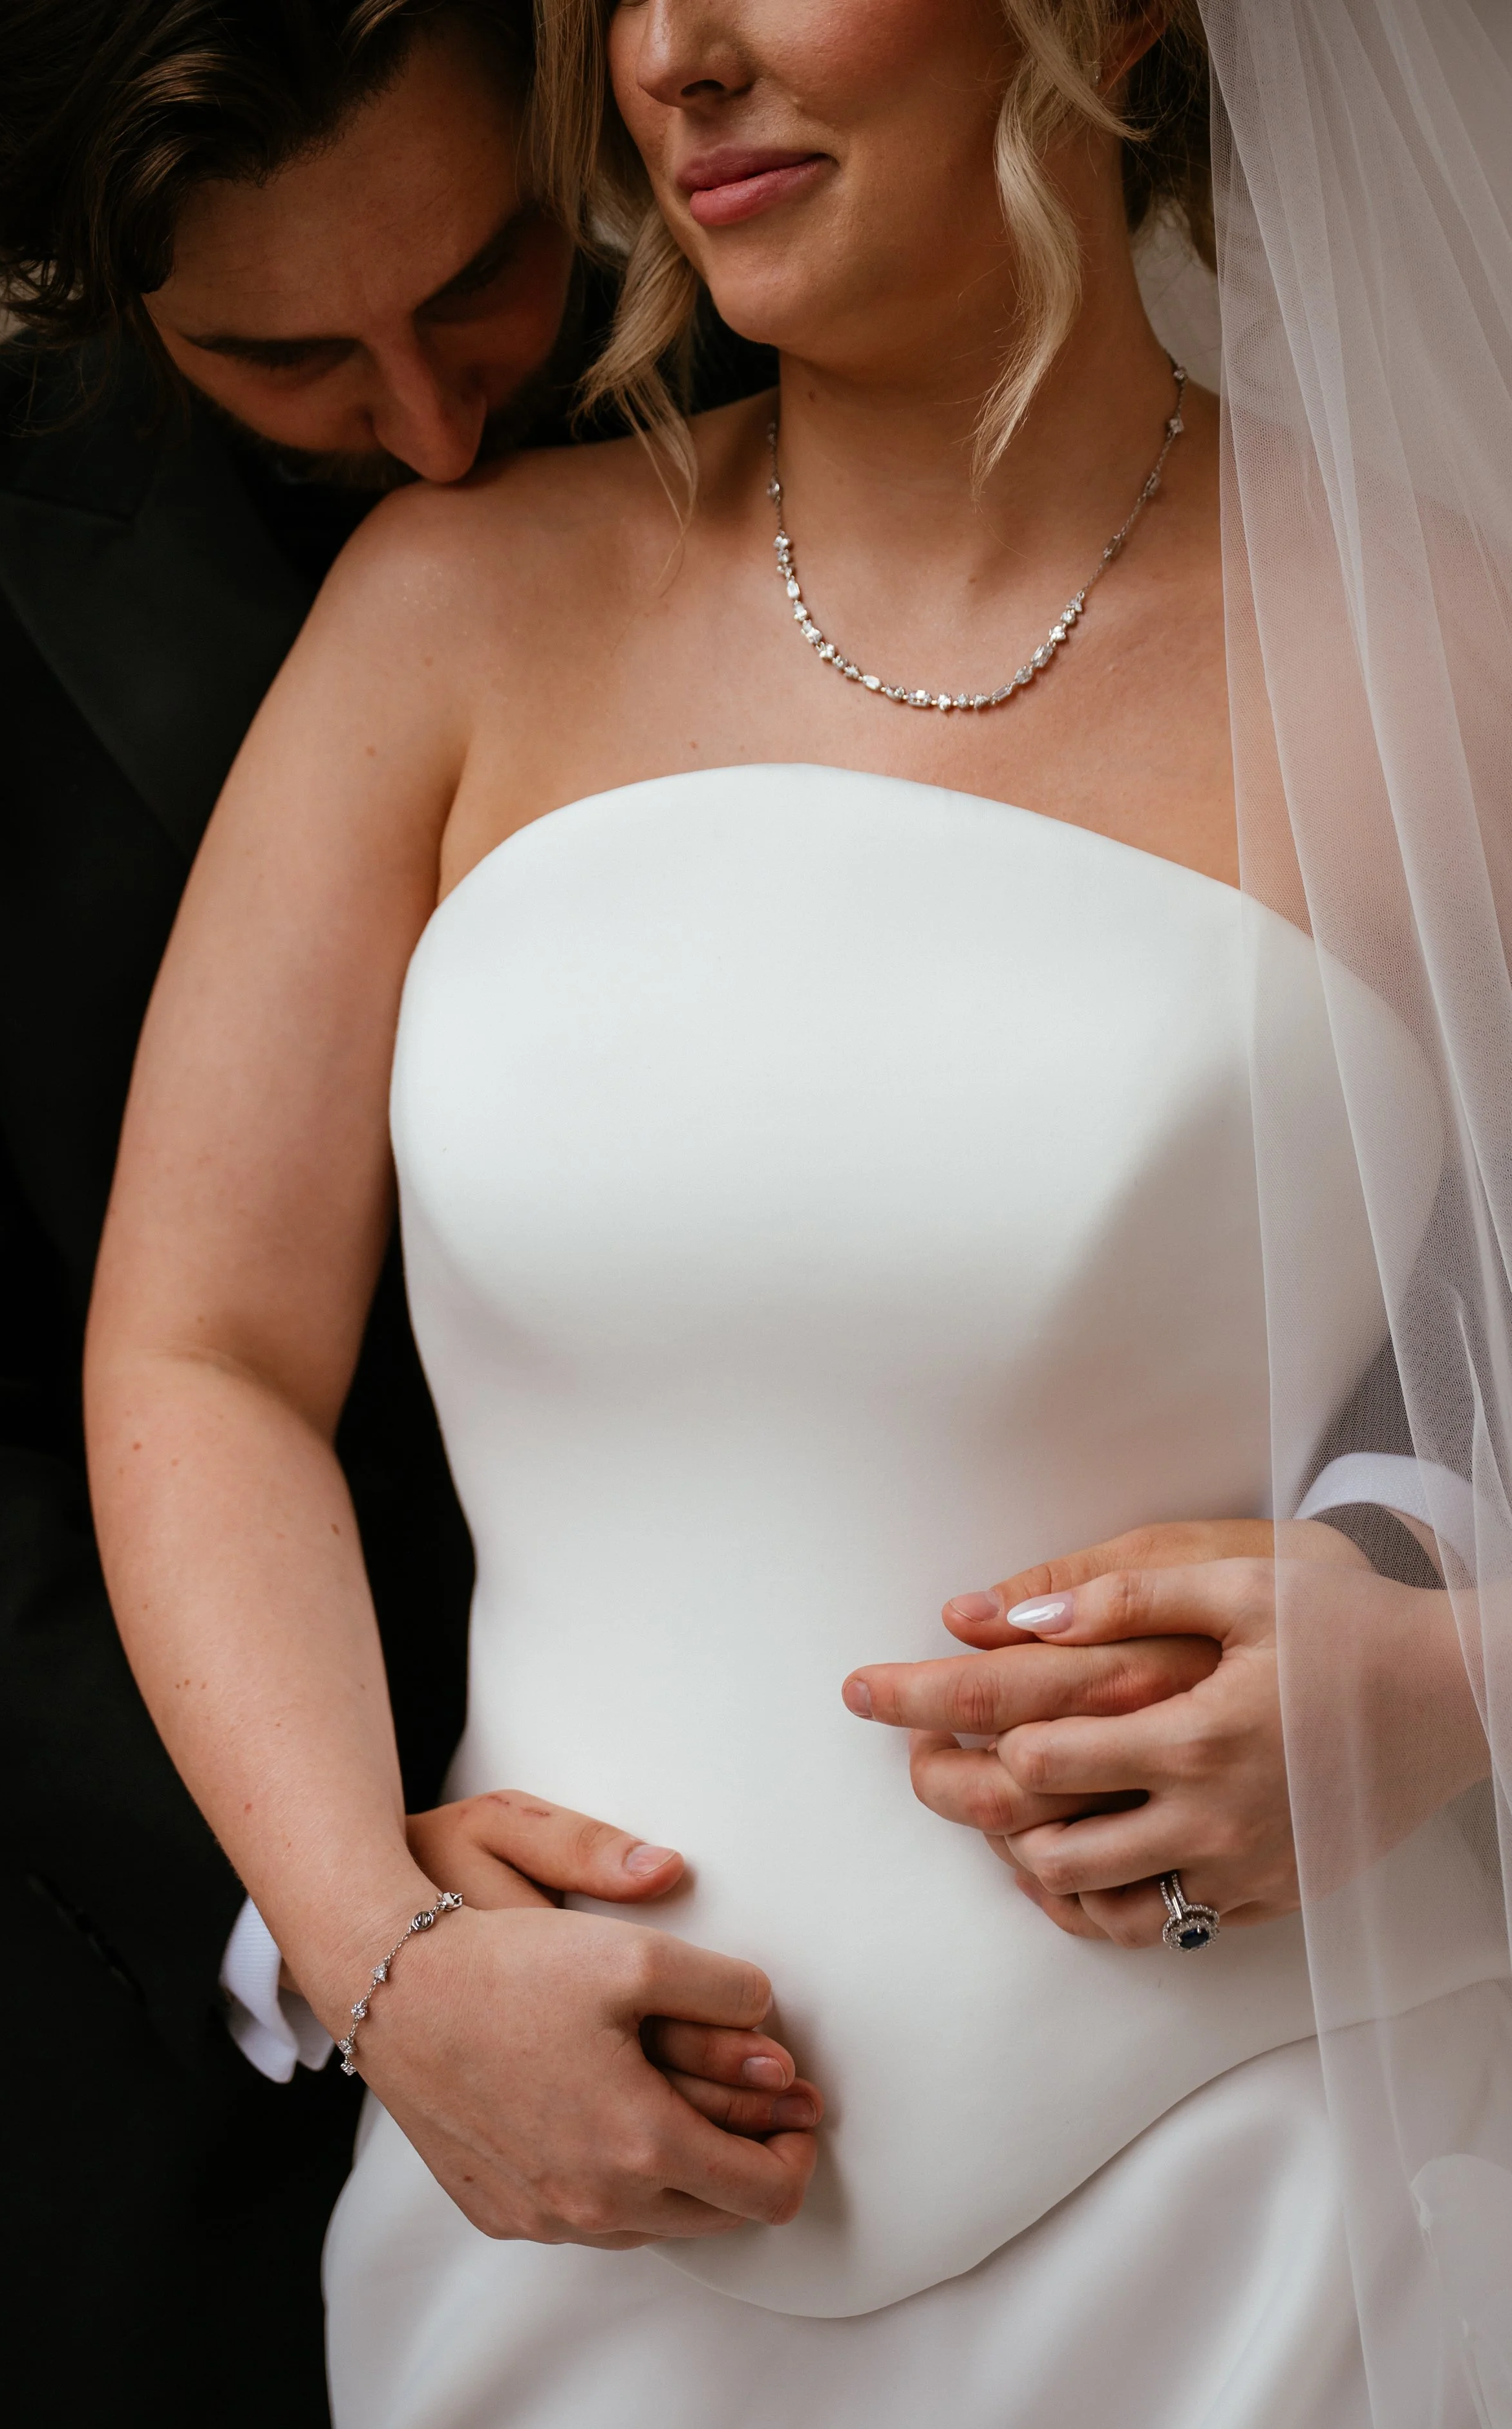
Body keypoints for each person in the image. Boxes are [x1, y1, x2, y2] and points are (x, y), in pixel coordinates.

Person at [83, 0, 1512, 2423]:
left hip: (1276, 2198)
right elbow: (197, 1349)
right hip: (545, 2208)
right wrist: (385, 1958)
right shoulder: (447, 613)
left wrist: (1449, 1684)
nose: (674, 53)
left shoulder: (1448, 663)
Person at [0, 3, 782, 2421]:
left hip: (856, 1942)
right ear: (89, 289)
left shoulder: (842, 380)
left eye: (487, 278)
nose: (428, 421)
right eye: (284, 354)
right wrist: (336, 1921)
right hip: (141, 2031)